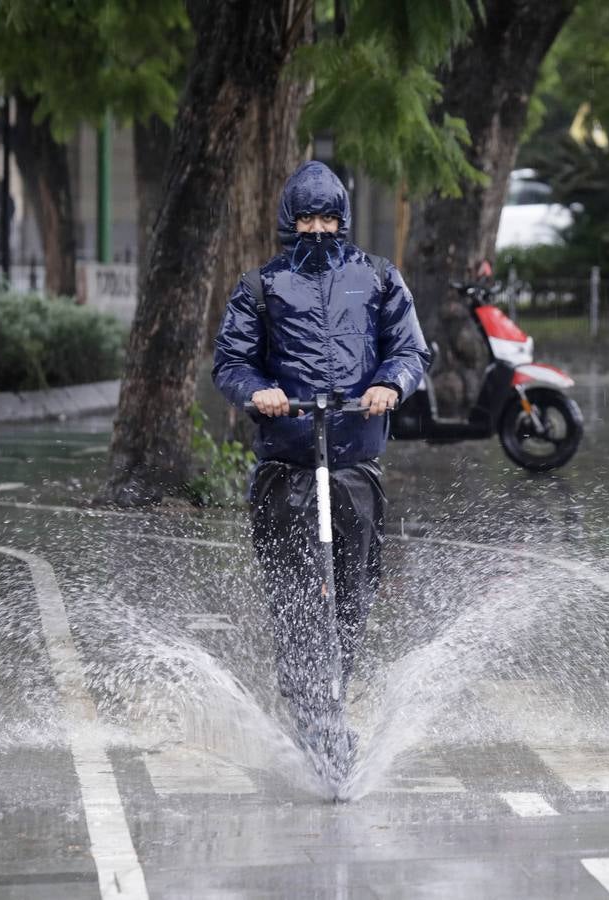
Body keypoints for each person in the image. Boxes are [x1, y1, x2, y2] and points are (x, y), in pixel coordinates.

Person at [213, 160, 430, 775]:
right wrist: (259, 393)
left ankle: (330, 699)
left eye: (328, 216)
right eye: (306, 217)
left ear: (344, 216)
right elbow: (231, 363)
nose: (318, 228)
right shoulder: (261, 287)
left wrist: (391, 383)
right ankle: (316, 716)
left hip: (356, 467)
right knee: (300, 595)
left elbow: (411, 349)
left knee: (352, 596)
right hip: (289, 468)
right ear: (289, 220)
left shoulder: (380, 279)